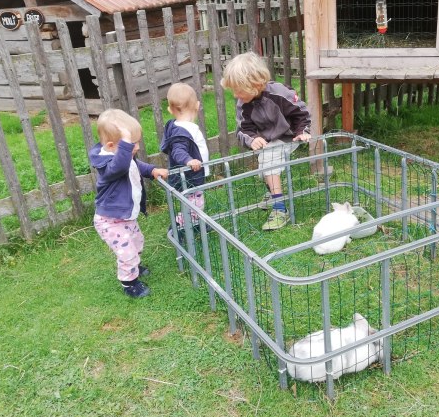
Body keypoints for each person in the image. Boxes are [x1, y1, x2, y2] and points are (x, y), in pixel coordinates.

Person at [221, 52, 312, 231]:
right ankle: (272, 193)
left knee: (269, 160)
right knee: (265, 165)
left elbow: (302, 113)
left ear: (255, 84)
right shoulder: (243, 103)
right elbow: (243, 129)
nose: (236, 95)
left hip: (288, 136)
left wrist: (303, 131)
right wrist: (252, 139)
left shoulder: (279, 94)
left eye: (238, 90)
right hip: (267, 140)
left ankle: (280, 209)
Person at [89, 109, 168, 298]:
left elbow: (135, 165)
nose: (138, 147)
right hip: (110, 220)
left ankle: (135, 267)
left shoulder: (123, 157)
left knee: (137, 242)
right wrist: (125, 144)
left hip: (126, 216)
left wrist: (152, 170)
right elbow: (122, 165)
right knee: (127, 252)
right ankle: (129, 284)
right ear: (111, 145)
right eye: (133, 144)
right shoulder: (108, 166)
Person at [160, 82, 209, 228]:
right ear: (197, 105)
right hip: (189, 175)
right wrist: (189, 160)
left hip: (191, 173)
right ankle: (178, 226)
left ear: (169, 109)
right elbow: (178, 151)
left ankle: (195, 222)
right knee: (195, 202)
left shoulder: (178, 126)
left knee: (193, 201)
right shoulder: (183, 131)